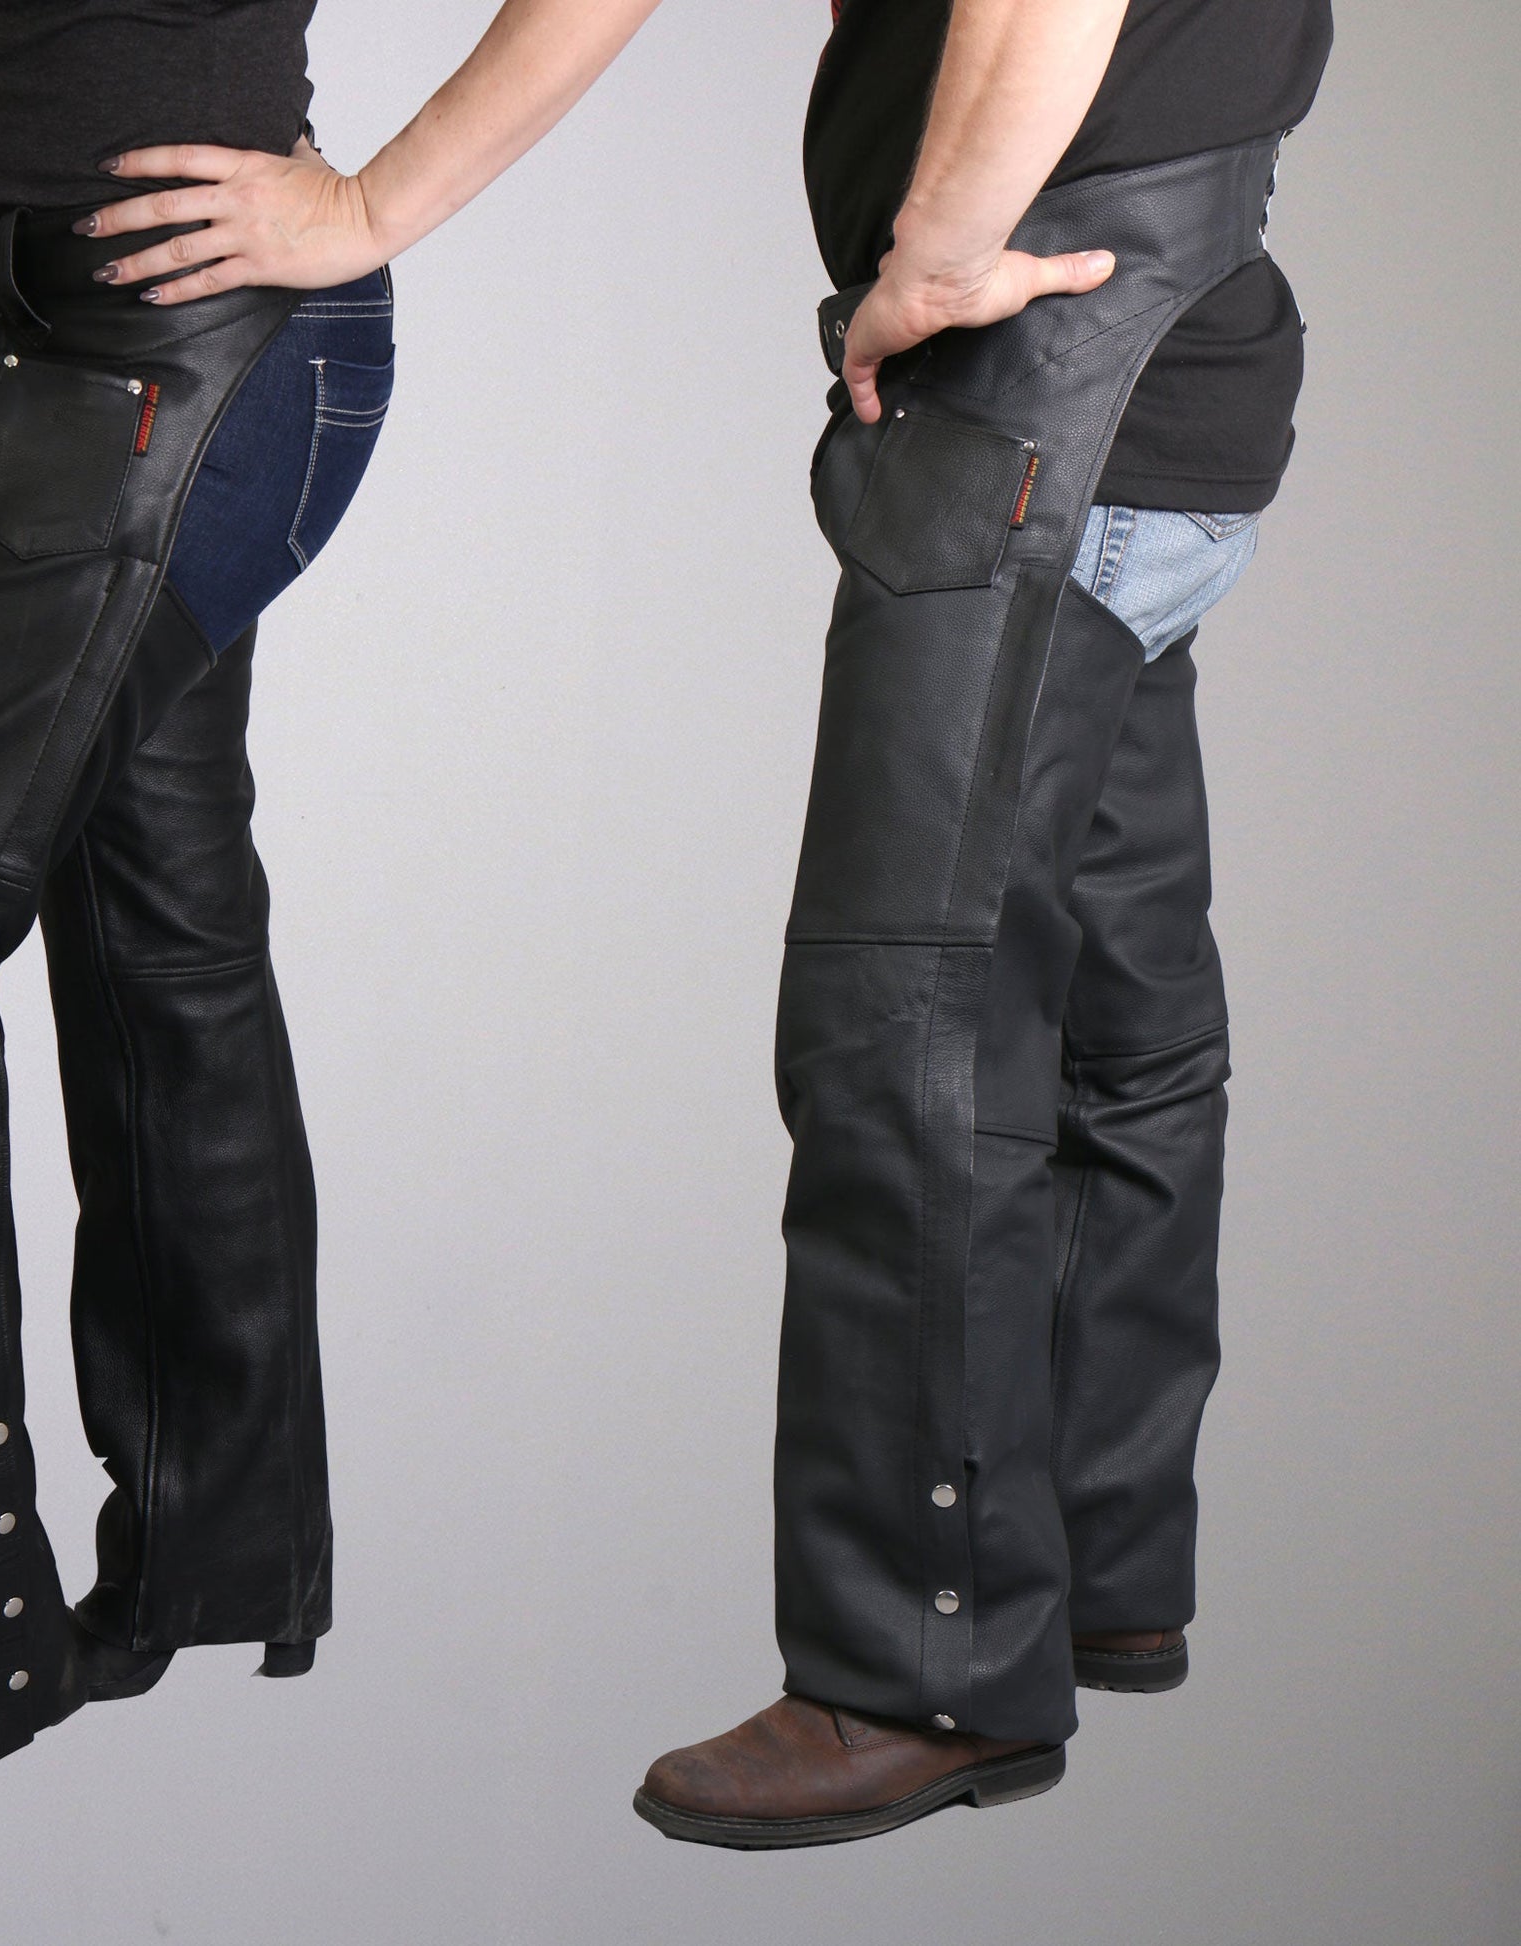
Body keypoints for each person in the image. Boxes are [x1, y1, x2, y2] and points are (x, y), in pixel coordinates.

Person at [103, 0, 1330, 1848]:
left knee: (902, 1029)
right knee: (1110, 1006)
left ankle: (922, 1663)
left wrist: (933, 255)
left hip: (1040, 373)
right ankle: (1091, 1560)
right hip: (1165, 356)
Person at [0, 0, 395, 1849]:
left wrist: (372, 205)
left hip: (188, 363)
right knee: (153, 911)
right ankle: (219, 1543)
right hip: (57, 343)